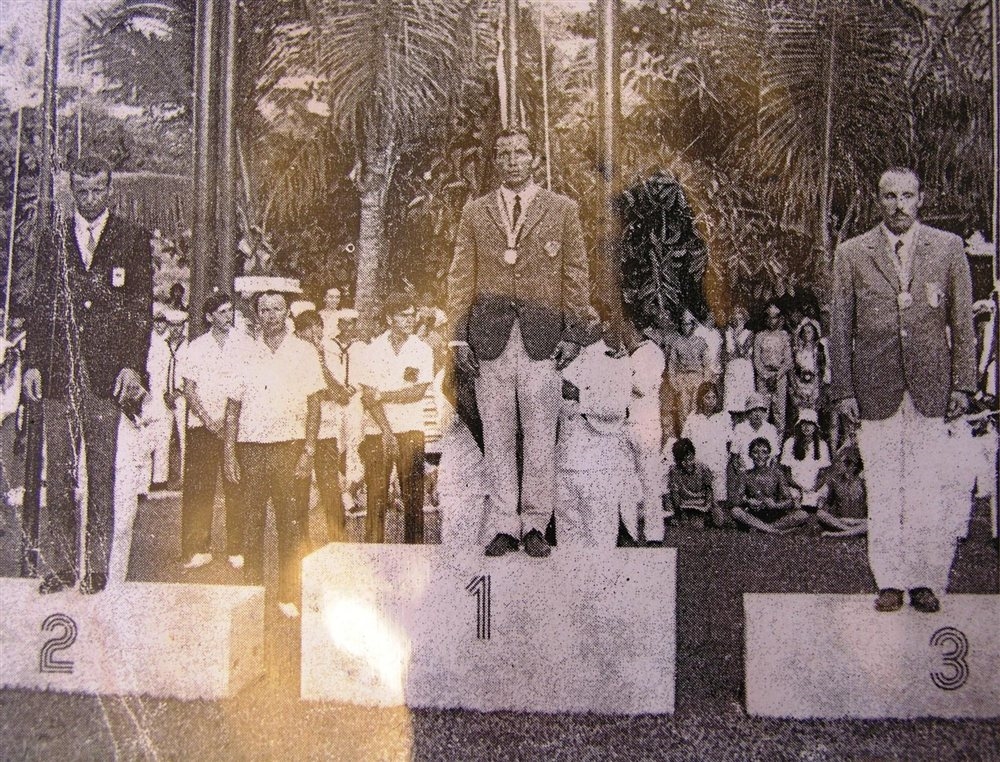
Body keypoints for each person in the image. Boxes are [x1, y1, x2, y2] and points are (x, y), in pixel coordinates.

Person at [829, 167, 976, 614]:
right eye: (889, 196)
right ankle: (890, 580)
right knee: (884, 487)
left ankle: (926, 579)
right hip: (875, 389)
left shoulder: (948, 248)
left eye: (906, 196)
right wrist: (844, 390)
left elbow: (962, 323)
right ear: (878, 200)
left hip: (932, 388)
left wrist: (962, 384)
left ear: (920, 199)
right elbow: (840, 328)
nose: (898, 205)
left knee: (927, 487)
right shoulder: (852, 253)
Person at [446, 127, 589, 558]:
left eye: (519, 153)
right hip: (489, 338)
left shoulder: (562, 209)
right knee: (497, 434)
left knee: (541, 434)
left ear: (534, 159)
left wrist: (573, 332)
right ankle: (505, 524)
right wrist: (458, 338)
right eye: (504, 154)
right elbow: (461, 276)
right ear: (496, 161)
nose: (512, 160)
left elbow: (575, 273)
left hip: (542, 338)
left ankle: (535, 524)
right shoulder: (476, 212)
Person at [23, 155, 152, 594]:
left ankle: (96, 568)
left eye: (98, 189)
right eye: (82, 190)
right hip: (59, 374)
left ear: (109, 190)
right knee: (58, 475)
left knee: (101, 473)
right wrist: (33, 363)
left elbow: (140, 309)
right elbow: (40, 304)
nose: (91, 198)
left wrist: (133, 366)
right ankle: (60, 567)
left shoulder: (131, 237)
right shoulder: (54, 237)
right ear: (72, 192)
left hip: (106, 376)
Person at [223, 289, 325, 618]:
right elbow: (233, 407)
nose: (271, 316)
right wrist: (229, 452)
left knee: (290, 524)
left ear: (286, 313)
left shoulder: (304, 352)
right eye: (264, 310)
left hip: (289, 448)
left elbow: (314, 405)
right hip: (251, 449)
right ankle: (251, 594)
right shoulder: (245, 353)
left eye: (277, 309)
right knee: (251, 522)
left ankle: (288, 594)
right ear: (257, 315)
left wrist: (308, 450)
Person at [179, 292, 252, 570]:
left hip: (235, 425)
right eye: (221, 312)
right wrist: (209, 420)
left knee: (237, 485)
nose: (227, 316)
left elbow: (249, 384)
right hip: (203, 426)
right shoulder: (196, 347)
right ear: (209, 317)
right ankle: (198, 548)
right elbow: (189, 389)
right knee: (199, 488)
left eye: (229, 310)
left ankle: (237, 547)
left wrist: (228, 420)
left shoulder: (244, 344)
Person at [354, 293, 434, 544]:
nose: (410, 320)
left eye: (412, 315)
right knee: (376, 500)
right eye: (403, 316)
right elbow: (368, 397)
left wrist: (384, 395)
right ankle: (373, 557)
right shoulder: (371, 350)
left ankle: (415, 557)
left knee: (413, 502)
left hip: (411, 430)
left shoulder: (422, 350)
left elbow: (417, 392)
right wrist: (387, 432)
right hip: (377, 433)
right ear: (389, 318)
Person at [557, 315, 632, 547]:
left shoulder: (614, 356)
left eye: (588, 318)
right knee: (568, 547)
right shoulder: (562, 353)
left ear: (604, 323)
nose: (579, 324)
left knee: (600, 544)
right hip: (564, 463)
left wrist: (580, 395)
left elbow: (618, 407)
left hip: (598, 464)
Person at [293, 309, 355, 544]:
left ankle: (338, 541)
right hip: (298, 432)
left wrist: (320, 363)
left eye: (318, 333)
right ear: (298, 334)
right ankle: (301, 544)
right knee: (298, 489)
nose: (314, 338)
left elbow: (340, 394)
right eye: (308, 334)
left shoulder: (327, 355)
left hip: (326, 431)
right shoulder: (292, 358)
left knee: (330, 488)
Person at [623, 317, 668, 542]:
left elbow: (641, 386)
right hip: (625, 425)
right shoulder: (624, 353)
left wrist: (618, 373)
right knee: (626, 482)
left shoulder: (652, 352)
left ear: (632, 326)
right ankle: (629, 532)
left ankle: (654, 534)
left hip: (646, 425)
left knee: (650, 481)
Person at [146, 304, 188, 488]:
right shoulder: (161, 346)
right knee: (162, 436)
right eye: (172, 325)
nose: (176, 329)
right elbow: (156, 372)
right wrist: (164, 393)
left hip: (182, 396)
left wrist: (178, 392)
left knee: (184, 436)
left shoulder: (188, 346)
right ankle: (160, 478)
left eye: (179, 325)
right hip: (164, 396)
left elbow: (189, 372)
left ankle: (185, 477)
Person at [730, 437, 808, 534]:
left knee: (802, 514)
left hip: (775, 514)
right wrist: (748, 501)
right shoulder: (746, 475)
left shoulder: (777, 474)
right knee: (735, 511)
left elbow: (789, 501)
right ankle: (774, 531)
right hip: (754, 515)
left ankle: (762, 529)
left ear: (768, 455)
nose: (760, 456)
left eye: (764, 452)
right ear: (750, 455)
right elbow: (736, 499)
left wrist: (776, 505)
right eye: (755, 452)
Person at [681, 382, 731, 505]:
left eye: (714, 397)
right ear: (701, 399)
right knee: (701, 500)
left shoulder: (724, 416)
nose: (711, 401)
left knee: (718, 500)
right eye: (707, 398)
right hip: (699, 464)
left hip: (718, 463)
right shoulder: (693, 417)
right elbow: (685, 440)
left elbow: (729, 441)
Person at [779, 409, 831, 511]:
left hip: (815, 487)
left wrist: (814, 488)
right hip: (795, 487)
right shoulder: (790, 443)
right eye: (804, 423)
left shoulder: (822, 445)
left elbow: (823, 473)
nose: (807, 427)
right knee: (796, 505)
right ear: (799, 425)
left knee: (820, 501)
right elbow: (786, 473)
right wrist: (799, 488)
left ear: (815, 427)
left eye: (810, 424)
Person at [754, 302, 793, 435]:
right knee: (763, 410)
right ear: (765, 319)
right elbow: (757, 359)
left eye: (775, 317)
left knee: (779, 412)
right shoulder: (759, 336)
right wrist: (766, 375)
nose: (772, 321)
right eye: (769, 317)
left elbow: (788, 360)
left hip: (779, 377)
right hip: (763, 377)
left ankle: (778, 443)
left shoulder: (784, 335)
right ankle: (761, 441)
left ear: (779, 318)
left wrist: (777, 375)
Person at [666, 438, 722, 527]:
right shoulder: (674, 471)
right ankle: (681, 518)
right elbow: (675, 494)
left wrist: (707, 506)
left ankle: (703, 518)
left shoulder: (703, 468)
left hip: (702, 503)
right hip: (685, 504)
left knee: (718, 520)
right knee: (694, 524)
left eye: (689, 459)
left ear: (693, 455)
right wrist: (679, 511)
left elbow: (709, 490)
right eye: (682, 461)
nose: (687, 463)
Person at [668, 310, 710, 429]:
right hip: (682, 378)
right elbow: (672, 364)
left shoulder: (700, 342)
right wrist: (674, 382)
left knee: (696, 407)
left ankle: (697, 434)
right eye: (683, 324)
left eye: (687, 324)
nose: (685, 327)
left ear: (692, 325)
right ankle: (685, 435)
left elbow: (706, 363)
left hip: (697, 377)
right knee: (683, 408)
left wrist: (705, 381)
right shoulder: (676, 343)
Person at [816, 444, 868, 537]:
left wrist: (855, 521)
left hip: (859, 521)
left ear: (852, 465)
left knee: (870, 523)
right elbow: (825, 504)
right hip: (841, 521)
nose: (837, 465)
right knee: (820, 514)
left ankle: (839, 534)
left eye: (841, 462)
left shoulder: (863, 482)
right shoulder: (834, 481)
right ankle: (850, 531)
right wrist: (822, 502)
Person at [789, 318, 826, 425]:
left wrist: (816, 388)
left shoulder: (818, 351)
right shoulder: (797, 351)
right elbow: (793, 369)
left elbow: (821, 370)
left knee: (812, 415)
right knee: (800, 414)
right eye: (804, 332)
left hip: (814, 386)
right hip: (800, 385)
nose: (806, 335)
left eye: (809, 332)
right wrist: (796, 388)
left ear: (814, 333)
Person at [722, 306, 754, 417]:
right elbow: (726, 353)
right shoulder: (727, 333)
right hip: (732, 367)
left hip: (744, 368)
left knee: (744, 399)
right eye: (735, 319)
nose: (738, 322)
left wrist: (735, 337)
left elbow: (744, 353)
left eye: (740, 319)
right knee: (730, 399)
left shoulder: (749, 333)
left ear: (745, 320)